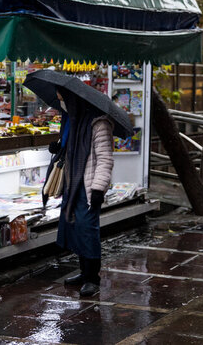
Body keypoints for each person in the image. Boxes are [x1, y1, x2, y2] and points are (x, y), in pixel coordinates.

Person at [46, 89, 114, 297]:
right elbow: (70, 149)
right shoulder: (72, 120)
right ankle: (84, 273)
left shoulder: (98, 123)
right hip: (72, 183)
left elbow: (105, 159)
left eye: (63, 99)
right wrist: (58, 147)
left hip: (88, 186)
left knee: (87, 230)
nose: (61, 104)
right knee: (75, 227)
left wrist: (98, 189)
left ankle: (93, 278)